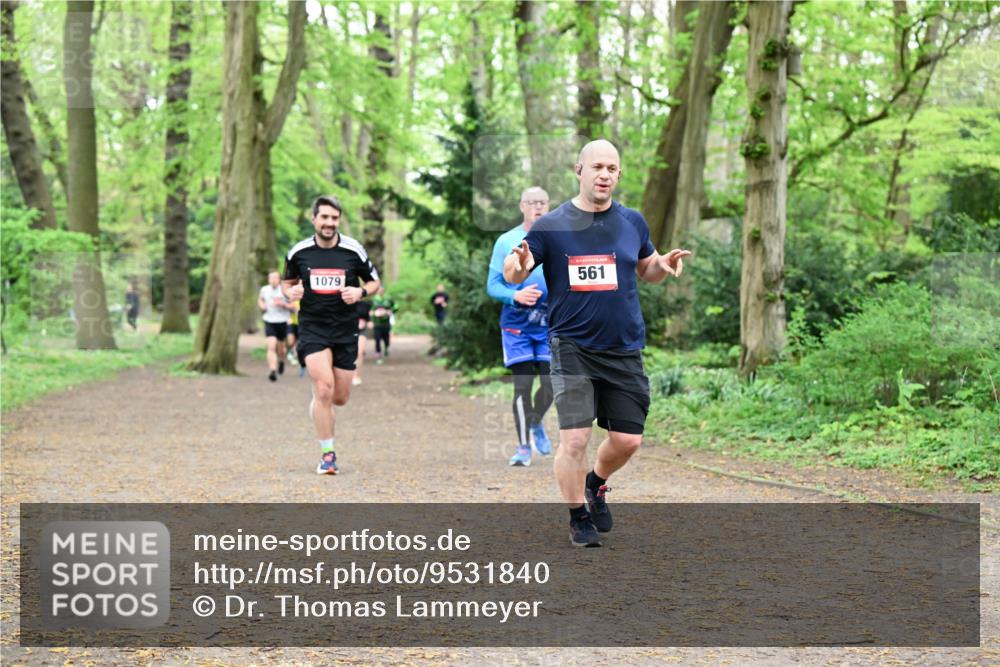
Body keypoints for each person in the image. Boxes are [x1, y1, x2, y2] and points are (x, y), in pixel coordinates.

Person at [504, 140, 691, 547]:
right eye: (598, 167)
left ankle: (596, 483)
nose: (605, 174)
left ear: (618, 175)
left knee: (628, 440)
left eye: (612, 168)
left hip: (623, 347)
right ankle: (577, 517)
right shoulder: (552, 225)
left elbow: (647, 269)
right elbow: (517, 270)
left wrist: (663, 264)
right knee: (575, 438)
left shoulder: (632, 222)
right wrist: (516, 265)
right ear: (579, 170)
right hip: (571, 345)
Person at [283, 195, 380, 475]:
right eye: (324, 217)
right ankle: (328, 455)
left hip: (345, 328)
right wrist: (290, 292)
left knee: (339, 397)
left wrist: (361, 292)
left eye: (334, 218)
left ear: (339, 220)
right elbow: (287, 283)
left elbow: (375, 282)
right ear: (313, 219)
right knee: (323, 387)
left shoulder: (353, 250)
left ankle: (319, 406)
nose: (329, 223)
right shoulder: (298, 252)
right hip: (313, 327)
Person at [487, 186, 554, 467]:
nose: (537, 207)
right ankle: (523, 446)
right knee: (523, 386)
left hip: (550, 325)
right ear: (522, 206)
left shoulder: (559, 239)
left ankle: (536, 421)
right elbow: (492, 286)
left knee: (552, 385)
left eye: (542, 202)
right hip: (517, 326)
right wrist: (515, 295)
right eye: (532, 202)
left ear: (549, 207)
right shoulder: (507, 240)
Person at [258, 271, 292, 382]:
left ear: (279, 279)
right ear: (268, 279)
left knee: (281, 349)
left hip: (282, 321)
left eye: (275, 278)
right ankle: (272, 370)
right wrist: (262, 306)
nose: (273, 280)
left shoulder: (285, 290)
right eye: (271, 278)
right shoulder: (264, 289)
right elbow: (260, 300)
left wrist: (283, 304)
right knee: (271, 346)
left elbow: (293, 306)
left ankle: (281, 361)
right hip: (269, 320)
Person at [370, 286, 394, 364]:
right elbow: (369, 311)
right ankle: (378, 355)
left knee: (386, 338)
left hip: (386, 323)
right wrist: (371, 318)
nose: (380, 291)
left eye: (382, 290)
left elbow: (396, 306)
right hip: (377, 323)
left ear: (384, 290)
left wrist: (390, 311)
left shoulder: (388, 299)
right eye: (379, 290)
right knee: (377, 339)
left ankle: (386, 348)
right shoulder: (373, 300)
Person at [353, 299, 372, 386]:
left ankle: (356, 376)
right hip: (349, 330)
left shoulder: (366, 304)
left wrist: (369, 322)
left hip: (362, 330)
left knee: (360, 352)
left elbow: (368, 316)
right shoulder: (346, 301)